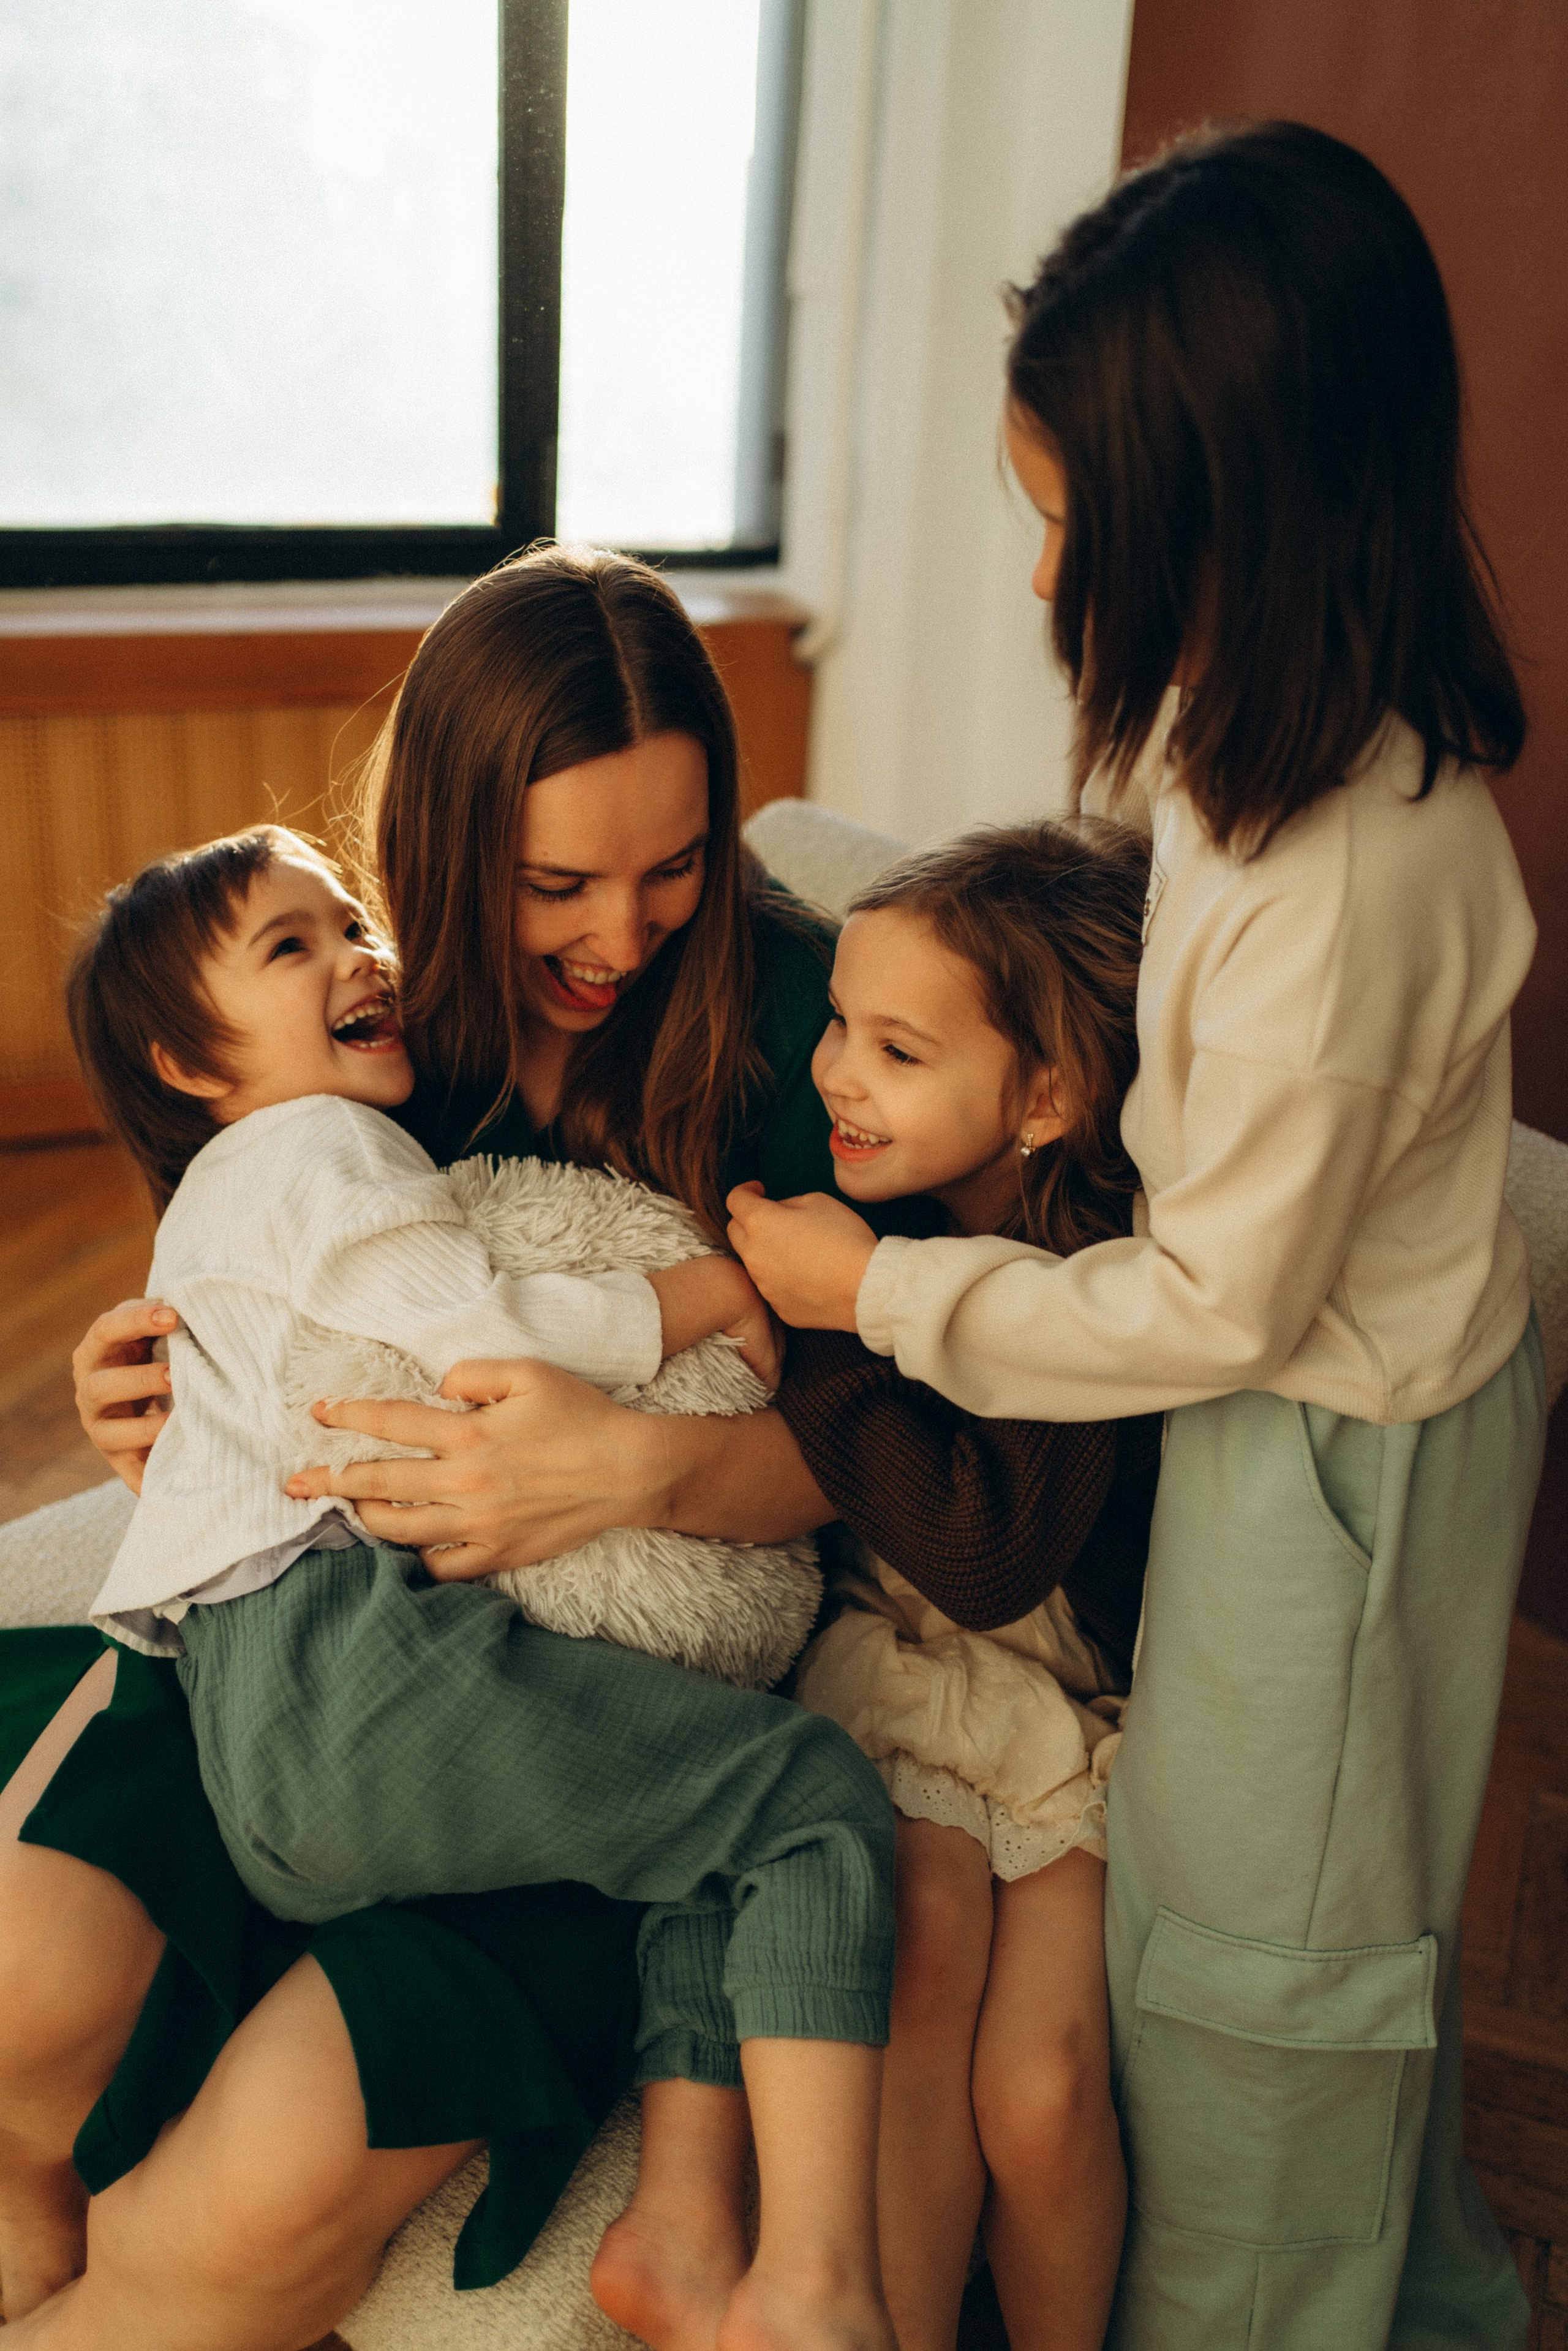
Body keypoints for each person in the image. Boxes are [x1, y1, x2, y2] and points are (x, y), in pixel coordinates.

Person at [726, 123, 1546, 2351]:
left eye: (1071, 526)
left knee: (1257, 1995)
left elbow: (1217, 1298)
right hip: (1303, 1381)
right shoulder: (1253, 749)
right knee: (1296, 1943)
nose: (1036, 580)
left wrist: (868, 1287)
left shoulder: (1345, 880)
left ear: (1239, 516)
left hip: (1330, 1443)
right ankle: (1445, 2290)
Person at [4, 549, 914, 2351]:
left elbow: (905, 1423)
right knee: (27, 1993)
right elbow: (271, 1258)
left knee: (247, 2195)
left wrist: (637, 1475)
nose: (619, 934)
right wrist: (156, 1393)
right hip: (313, 1626)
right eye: (553, 881)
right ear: (438, 838)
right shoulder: (387, 1011)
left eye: (674, 864)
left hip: (571, 1695)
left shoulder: (803, 1030)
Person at [765, 818, 1155, 2351]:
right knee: (917, 1965)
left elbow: (991, 1552)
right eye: (836, 1025)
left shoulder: (1095, 1283)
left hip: (1064, 1707)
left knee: (1043, 2088)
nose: (836, 1073)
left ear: (1045, 1095)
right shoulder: (871, 1201)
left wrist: (818, 1334)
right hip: (893, 1671)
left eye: (896, 1047)